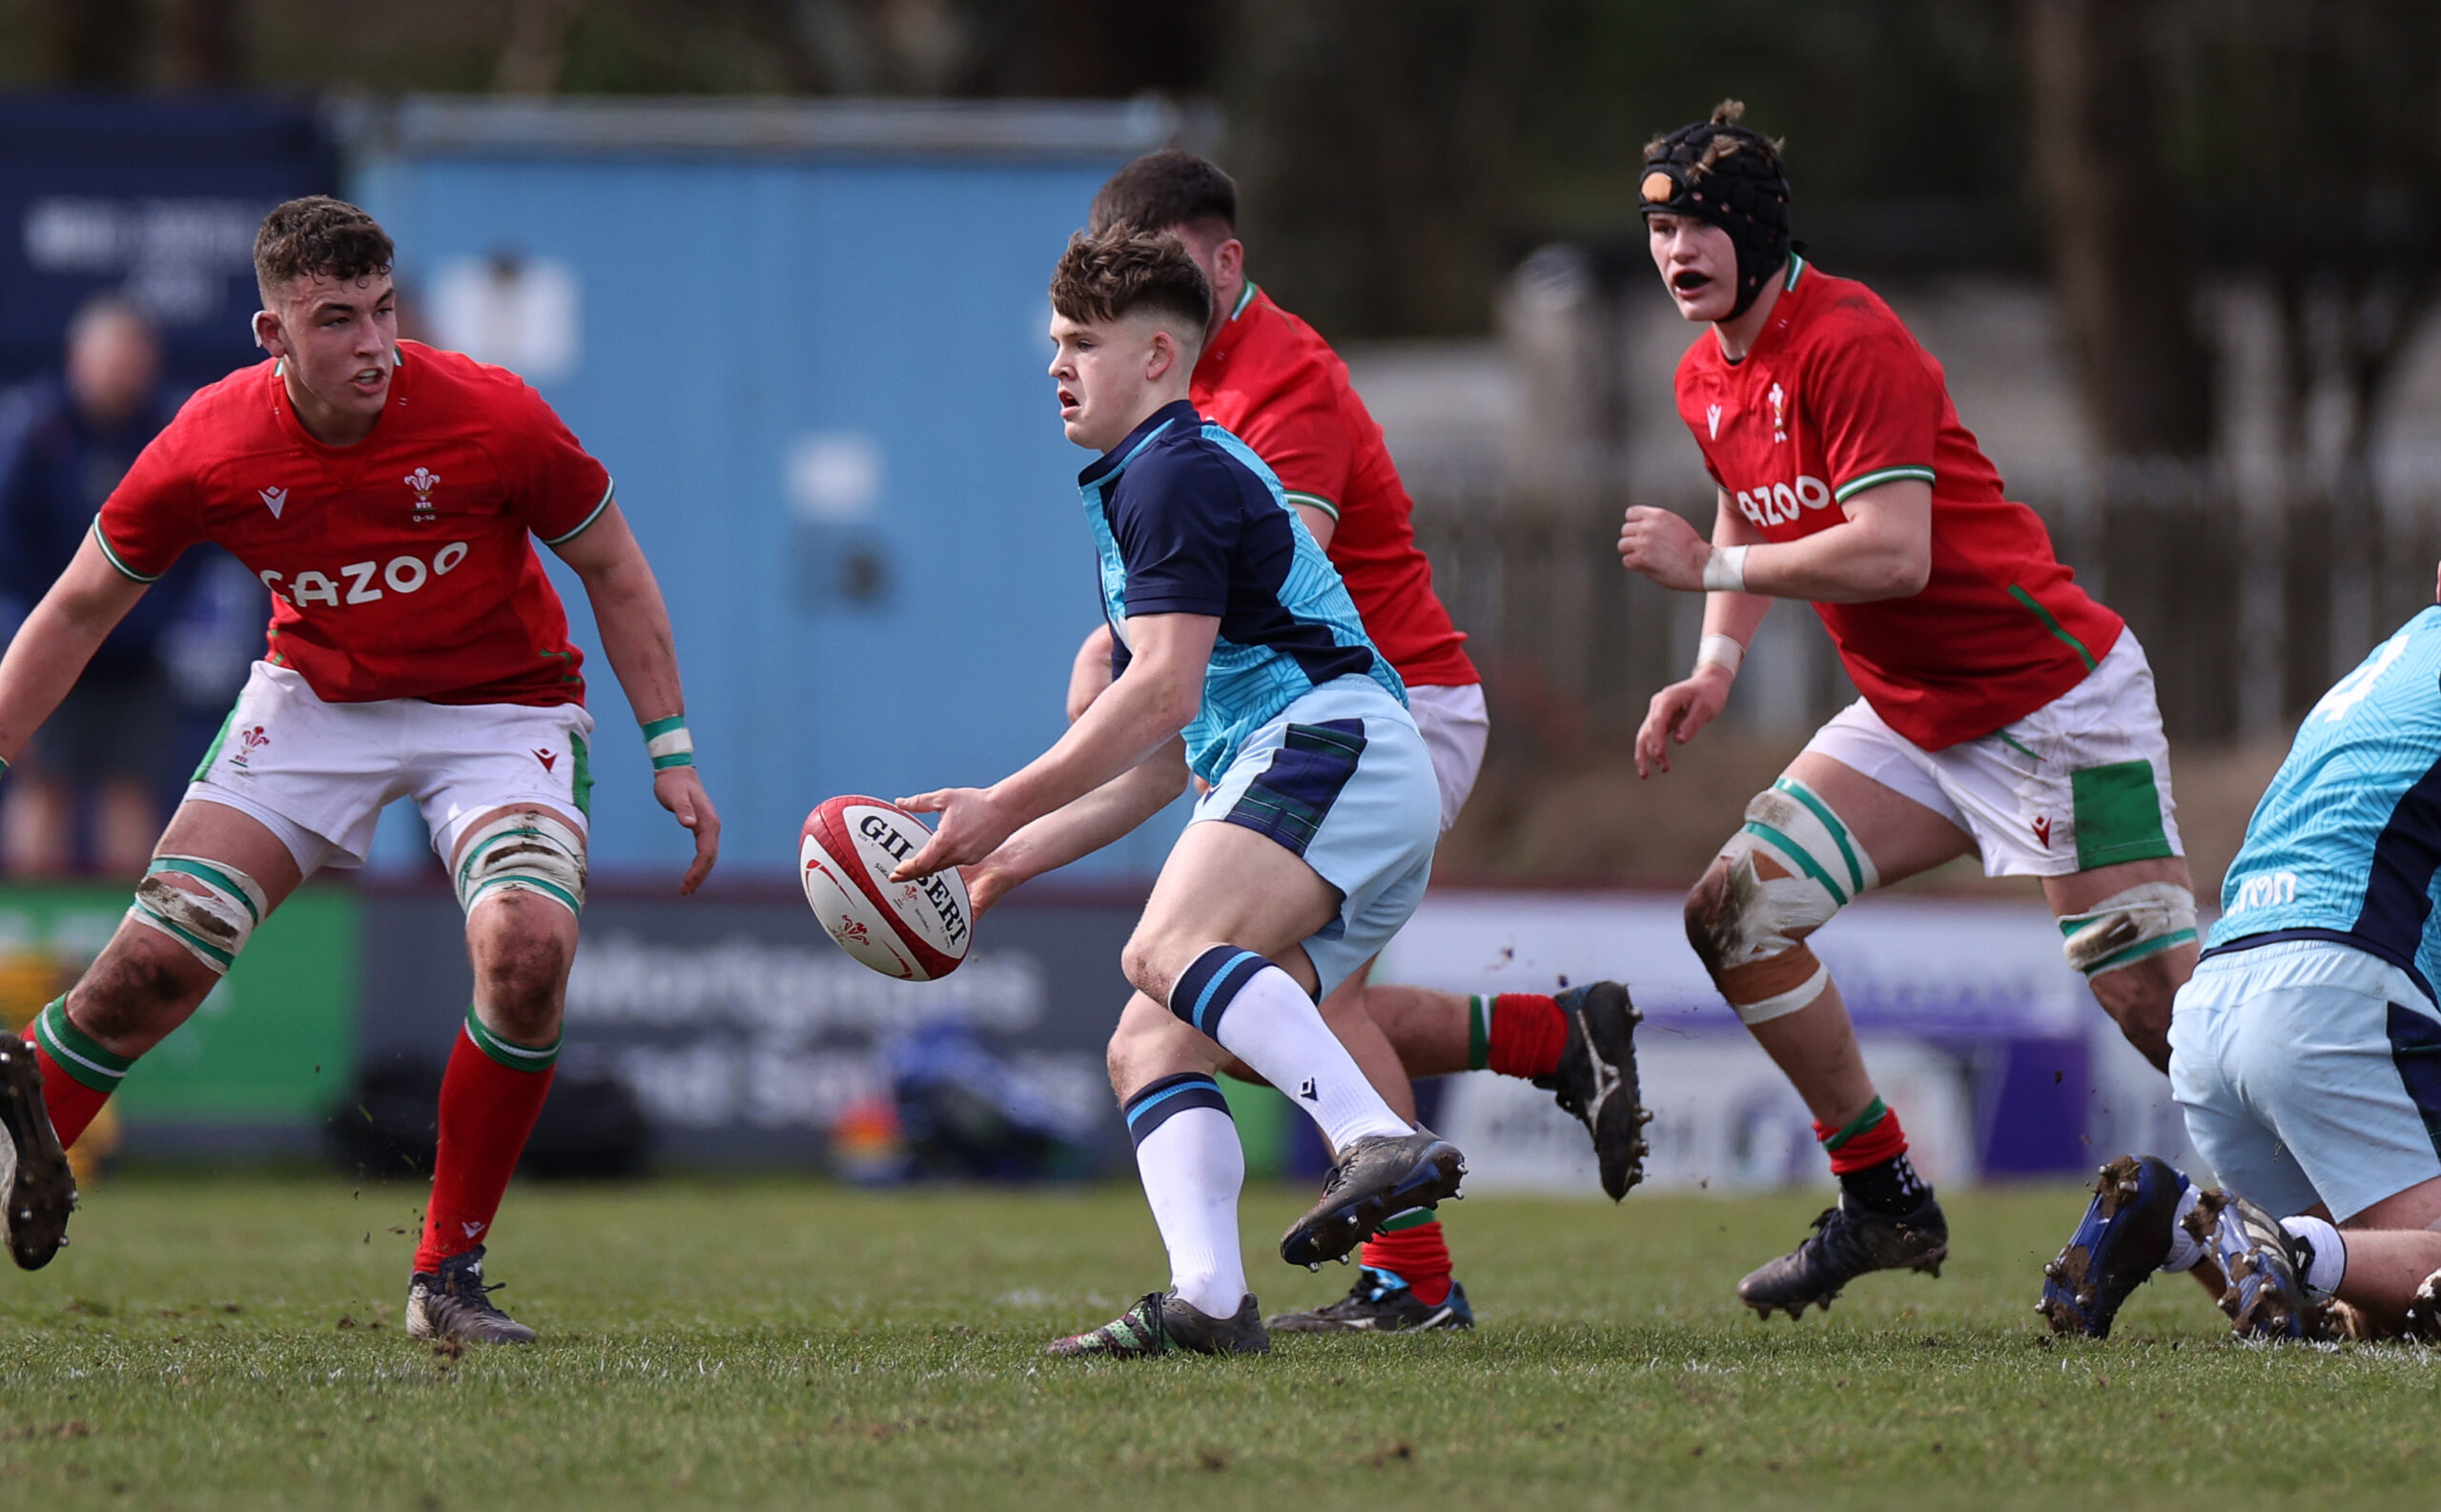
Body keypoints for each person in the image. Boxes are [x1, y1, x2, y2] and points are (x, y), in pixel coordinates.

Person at [0, 197, 721, 1344]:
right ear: (270, 335)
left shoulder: (492, 414)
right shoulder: (209, 441)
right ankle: (17, 1130)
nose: (373, 344)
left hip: (501, 708)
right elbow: (81, 603)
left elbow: (614, 565)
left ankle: (445, 1277)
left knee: (527, 954)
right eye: (336, 320)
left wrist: (669, 749)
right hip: (317, 701)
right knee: (148, 972)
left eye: (383, 311)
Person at [1610, 104, 2198, 1318]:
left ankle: (2354, 1196)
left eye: (1702, 225)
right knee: (1735, 912)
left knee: (2153, 1006)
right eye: (1660, 228)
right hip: (1915, 717)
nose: (1676, 251)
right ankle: (1882, 1195)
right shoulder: (1703, 370)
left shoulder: (1850, 337)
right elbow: (1743, 502)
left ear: (1761, 230)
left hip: (2057, 705)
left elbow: (1892, 556)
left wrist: (1708, 575)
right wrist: (1715, 663)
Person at [1074, 151, 1647, 1335]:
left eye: (1162, 278)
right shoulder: (1172, 408)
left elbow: (1255, 584)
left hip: (1386, 712)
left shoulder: (1282, 382)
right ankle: (1546, 1034)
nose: (1140, 306)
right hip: (1297, 721)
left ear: (1224, 266)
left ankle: (1412, 1275)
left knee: (1266, 993)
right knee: (1250, 998)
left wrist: (1114, 670)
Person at [892, 225, 1462, 1359]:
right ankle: (1207, 1295)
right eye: (1053, 341)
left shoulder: (1172, 472)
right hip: (1318, 759)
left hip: (1333, 741)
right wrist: (1005, 856)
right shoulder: (1142, 481)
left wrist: (1000, 802)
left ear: (1158, 355)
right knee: (1148, 1043)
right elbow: (1168, 756)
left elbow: (1157, 693)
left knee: (1163, 947)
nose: (1055, 365)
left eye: (1080, 343)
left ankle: (1371, 1134)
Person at [2040, 581, 2441, 1342]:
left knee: (2361, 1317)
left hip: (2219, 996)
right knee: (2420, 1279)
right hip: (2333, 1000)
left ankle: (2181, 1219)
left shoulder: (2389, 663)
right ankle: (2288, 1247)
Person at [0, 297, 195, 875]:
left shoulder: (169, 429)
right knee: (43, 785)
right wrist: (65, 617)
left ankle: (124, 945)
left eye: (137, 360)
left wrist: (143, 620)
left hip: (138, 656)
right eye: (114, 359)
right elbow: (10, 542)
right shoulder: (32, 431)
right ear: (77, 359)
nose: (125, 373)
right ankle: (26, 942)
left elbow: (197, 544)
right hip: (49, 642)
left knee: (131, 789)